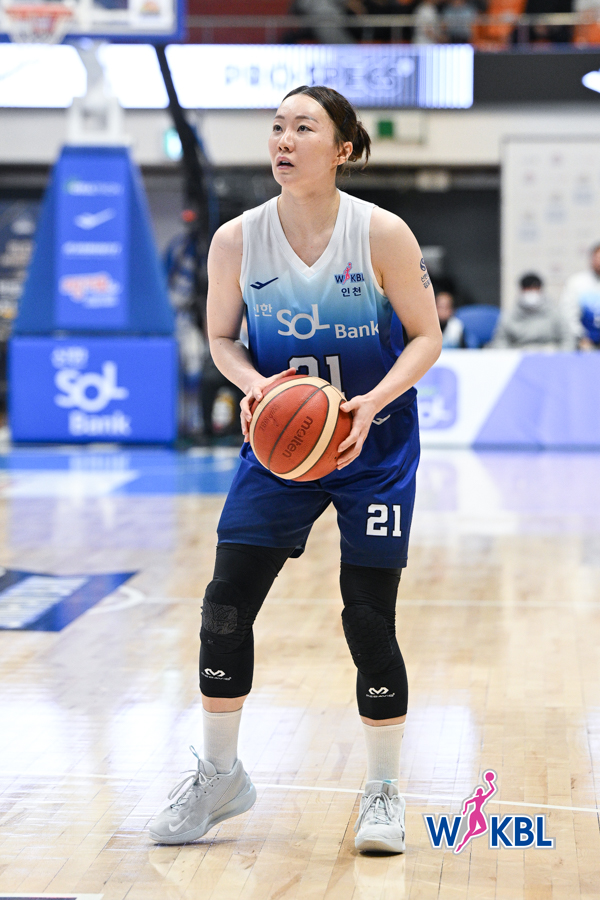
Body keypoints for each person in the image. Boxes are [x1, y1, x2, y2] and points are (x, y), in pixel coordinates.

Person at [149, 85, 442, 855]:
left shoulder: (380, 233)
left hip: (373, 444)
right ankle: (220, 777)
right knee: (224, 608)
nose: (283, 139)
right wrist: (258, 388)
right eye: (277, 126)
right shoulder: (236, 241)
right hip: (281, 444)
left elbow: (426, 337)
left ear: (341, 149)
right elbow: (222, 339)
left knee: (367, 619)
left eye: (303, 128)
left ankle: (383, 790)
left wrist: (371, 403)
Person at [492, 273, 575, 350]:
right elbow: (500, 341)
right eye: (528, 289)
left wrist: (560, 356)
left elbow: (568, 339)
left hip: (549, 355)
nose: (531, 293)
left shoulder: (555, 314)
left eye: (534, 289)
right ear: (521, 290)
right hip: (519, 355)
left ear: (540, 290)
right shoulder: (509, 316)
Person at [560, 243, 600, 349]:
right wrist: (581, 336)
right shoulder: (577, 282)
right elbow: (568, 314)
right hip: (583, 343)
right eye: (597, 258)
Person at [435, 284, 466, 348]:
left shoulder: (457, 327)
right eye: (440, 307)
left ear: (452, 310)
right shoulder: (428, 327)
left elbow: (464, 350)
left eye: (446, 307)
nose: (442, 311)